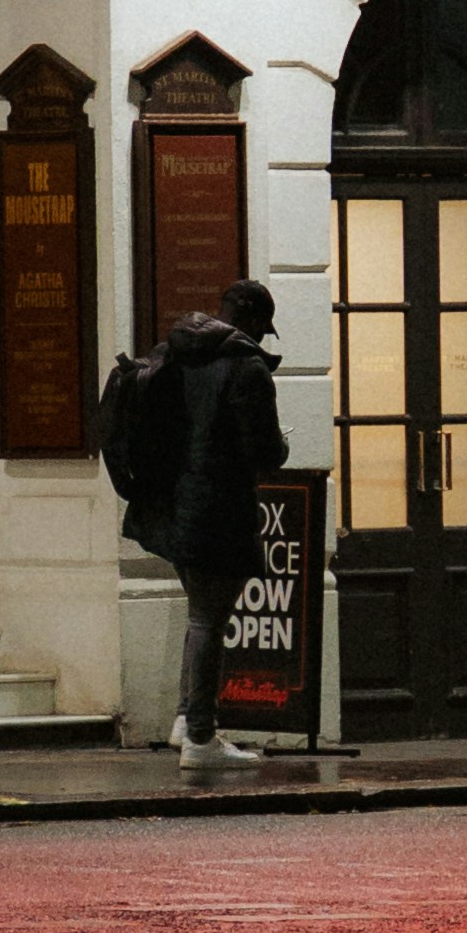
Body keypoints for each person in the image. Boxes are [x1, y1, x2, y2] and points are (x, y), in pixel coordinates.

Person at [103, 277, 285, 757]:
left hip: (173, 507)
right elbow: (266, 450)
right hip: (218, 510)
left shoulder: (177, 353)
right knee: (209, 621)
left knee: (201, 615)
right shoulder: (246, 368)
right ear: (248, 321)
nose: (264, 338)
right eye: (263, 328)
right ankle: (201, 737)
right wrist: (281, 441)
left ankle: (187, 721)